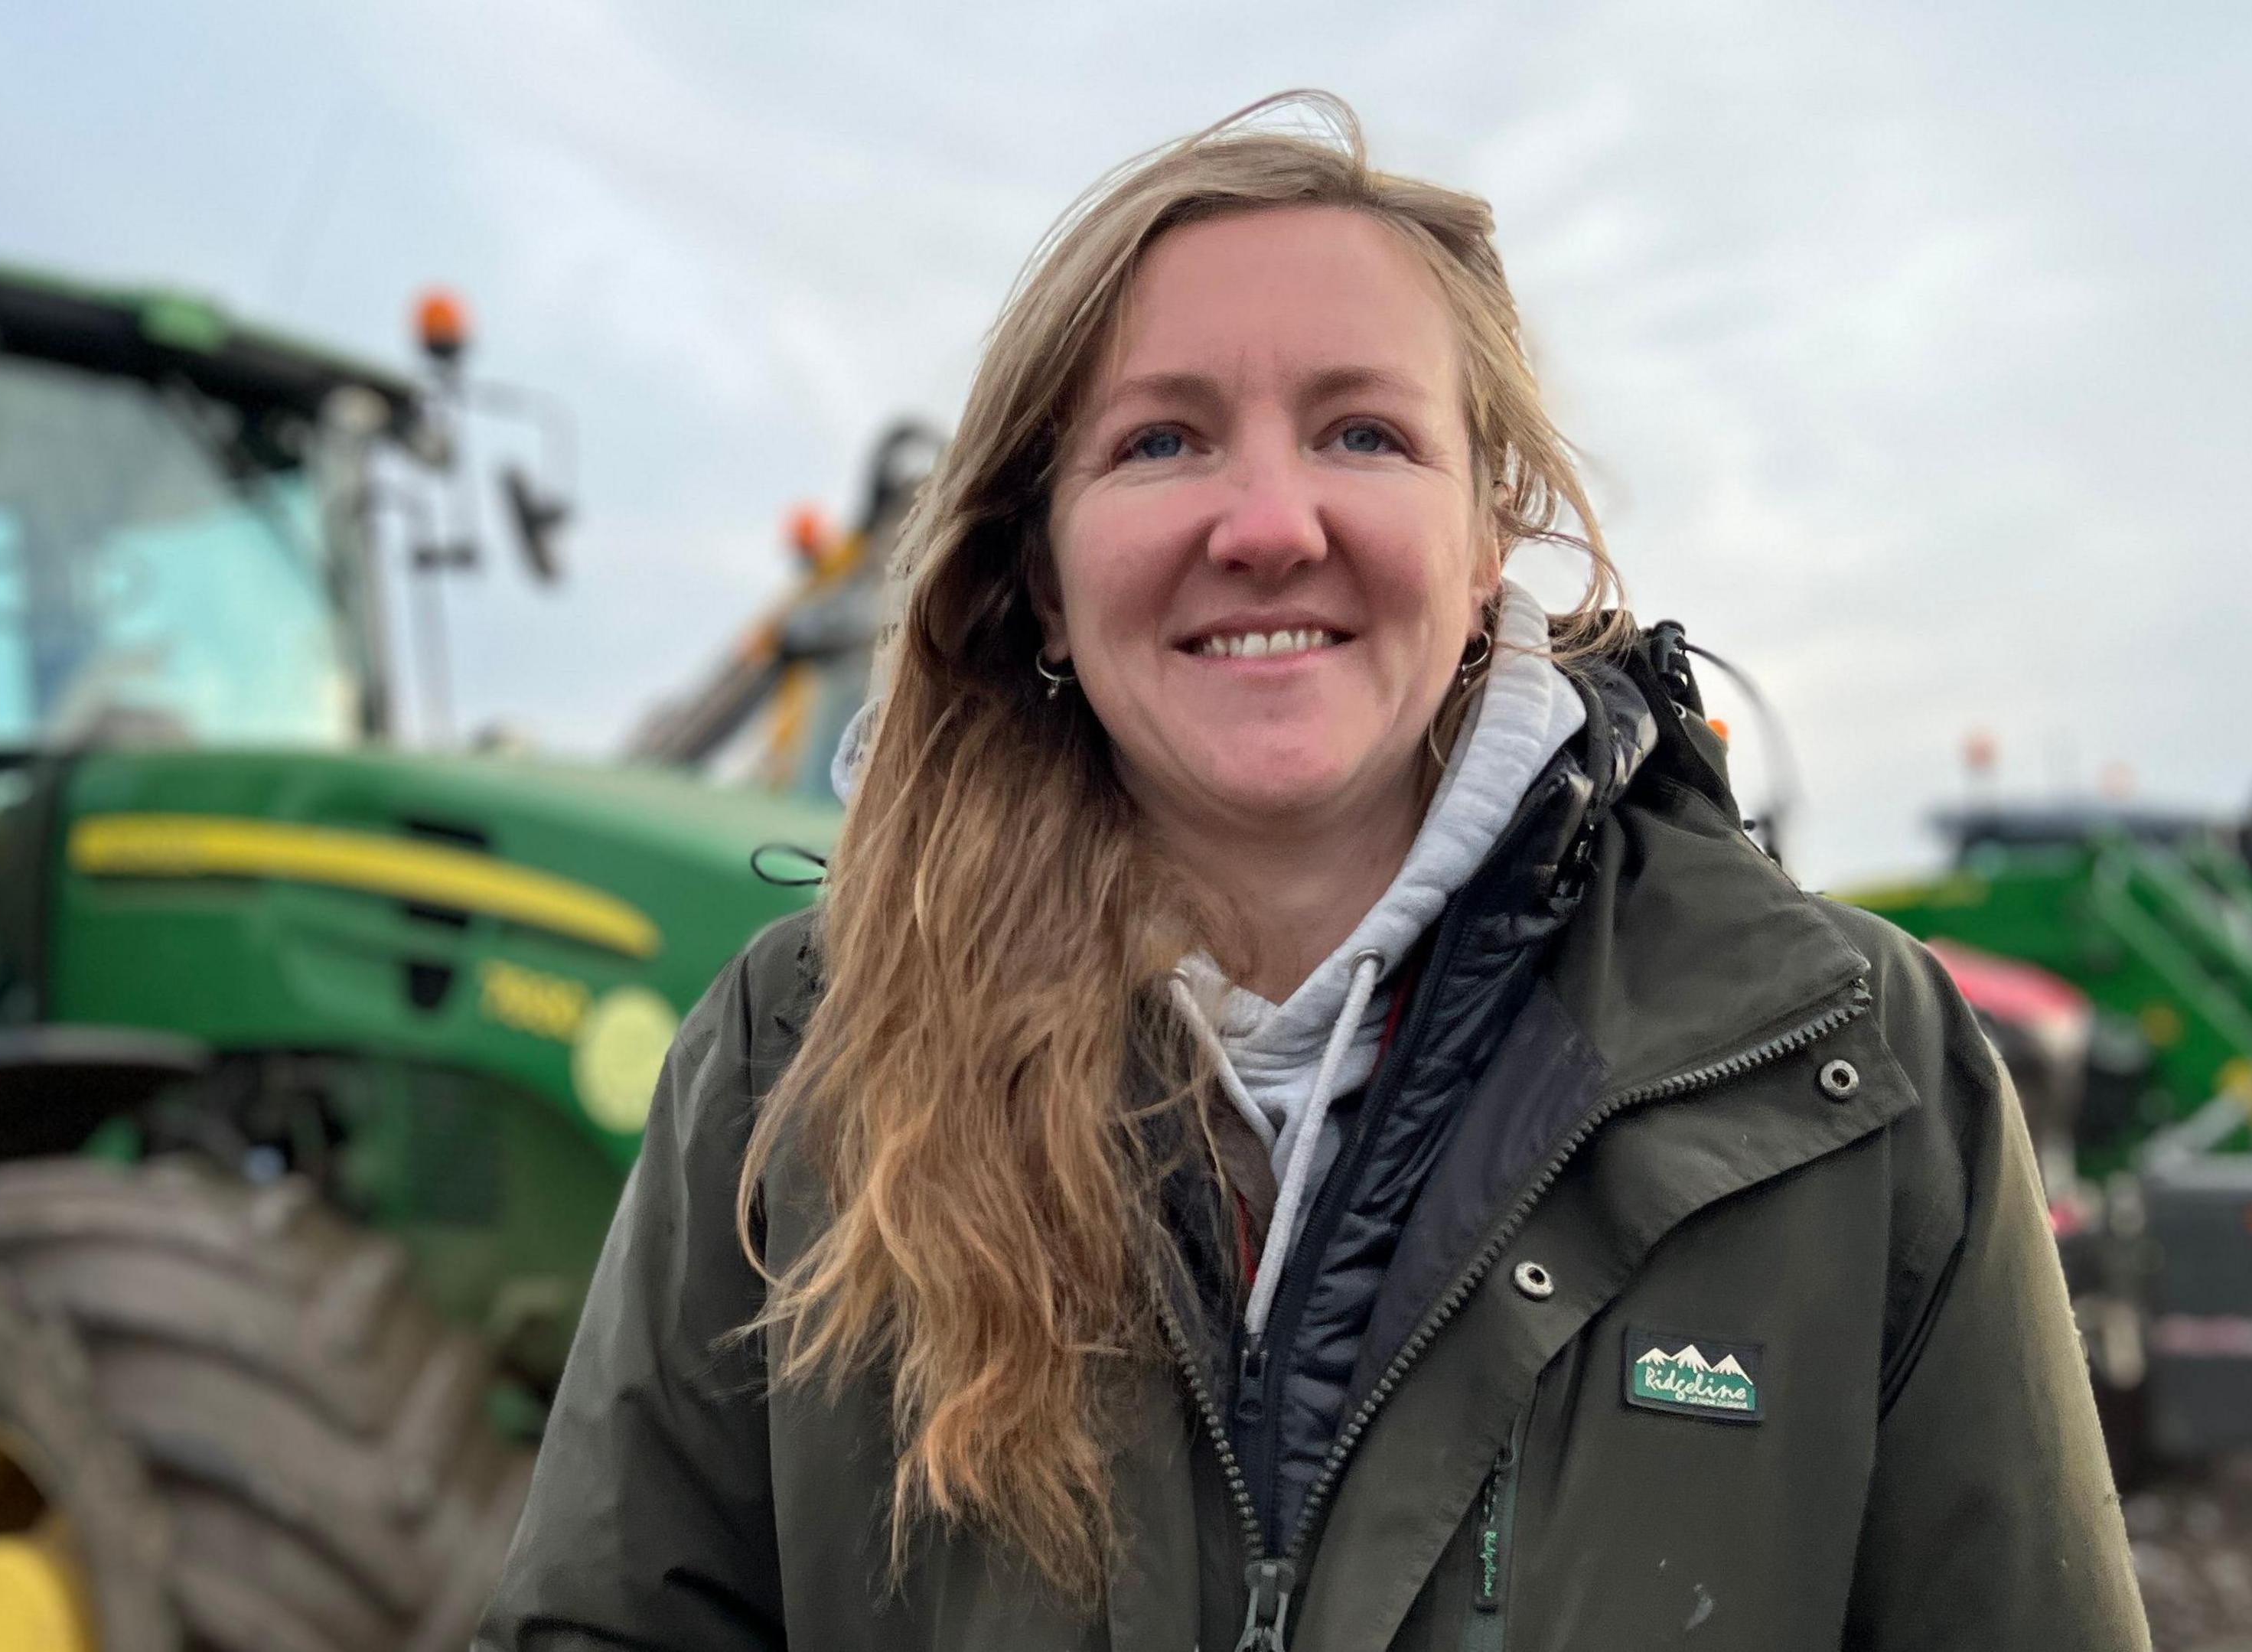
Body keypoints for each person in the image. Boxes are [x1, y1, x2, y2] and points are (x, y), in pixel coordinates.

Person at [480, 92, 2146, 1651]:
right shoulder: (799, 1066)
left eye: (1362, 433)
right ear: (1041, 580)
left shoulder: (1853, 1073)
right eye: (1159, 444)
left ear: (1488, 537)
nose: (1269, 523)